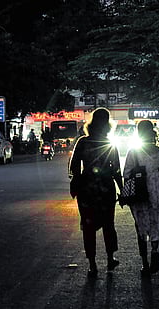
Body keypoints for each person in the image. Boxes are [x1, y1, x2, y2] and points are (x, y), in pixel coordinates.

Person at [68, 107, 123, 278]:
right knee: (108, 224)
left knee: (89, 226)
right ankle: (110, 258)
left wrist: (78, 181)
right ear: (108, 124)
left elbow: (74, 167)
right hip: (106, 188)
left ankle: (92, 264)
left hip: (87, 189)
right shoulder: (109, 143)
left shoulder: (83, 142)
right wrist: (123, 191)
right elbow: (116, 171)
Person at [123, 120, 159, 276]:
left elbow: (127, 174)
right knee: (155, 223)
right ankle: (155, 250)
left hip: (139, 192)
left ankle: (144, 263)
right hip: (155, 191)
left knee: (141, 226)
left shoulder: (133, 152)